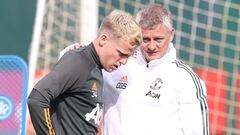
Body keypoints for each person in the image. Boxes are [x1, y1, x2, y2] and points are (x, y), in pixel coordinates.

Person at [60, 3, 209, 135]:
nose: (151, 46)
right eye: (145, 39)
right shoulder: (116, 63)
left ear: (171, 35)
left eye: (158, 39)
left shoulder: (185, 79)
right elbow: (71, 61)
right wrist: (76, 52)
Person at [27, 9, 142, 135]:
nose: (123, 62)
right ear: (103, 39)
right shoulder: (78, 62)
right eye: (121, 53)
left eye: (128, 56)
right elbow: (37, 99)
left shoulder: (97, 67)